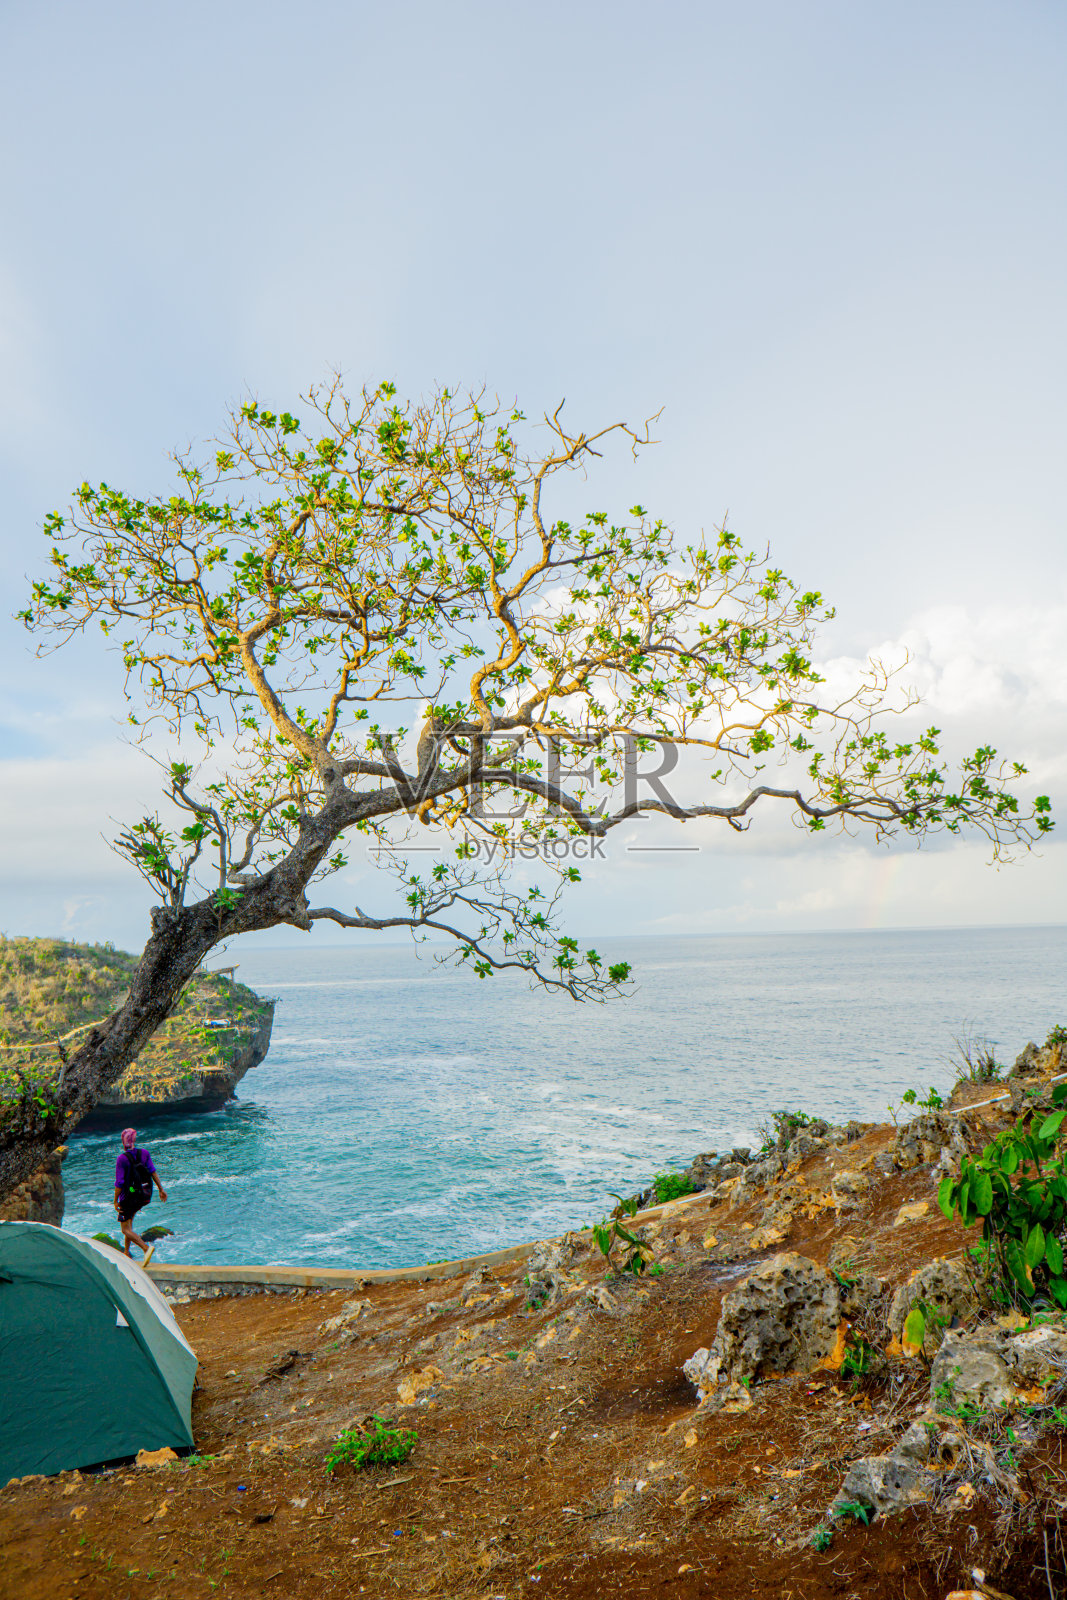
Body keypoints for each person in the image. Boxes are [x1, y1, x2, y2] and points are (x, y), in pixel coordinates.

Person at [114, 1128, 167, 1266]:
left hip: (128, 1197)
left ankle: (145, 1248)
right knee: (129, 1223)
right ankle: (126, 1253)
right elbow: (153, 1172)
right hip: (142, 1195)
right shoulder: (144, 1153)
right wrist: (161, 1189)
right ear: (134, 1140)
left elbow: (119, 1183)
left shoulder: (122, 1159)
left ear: (123, 1141)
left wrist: (115, 1201)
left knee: (125, 1229)